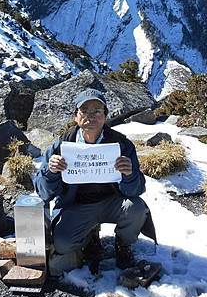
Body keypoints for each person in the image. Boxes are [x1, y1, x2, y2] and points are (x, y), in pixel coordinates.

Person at [34, 88, 154, 275]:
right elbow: (43, 192)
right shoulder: (62, 145)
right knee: (63, 244)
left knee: (136, 209)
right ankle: (89, 236)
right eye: (85, 111)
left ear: (105, 116)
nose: (91, 116)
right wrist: (51, 172)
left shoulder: (121, 145)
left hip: (112, 202)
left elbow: (137, 190)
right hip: (76, 206)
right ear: (76, 116)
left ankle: (123, 245)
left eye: (97, 111)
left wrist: (130, 175)